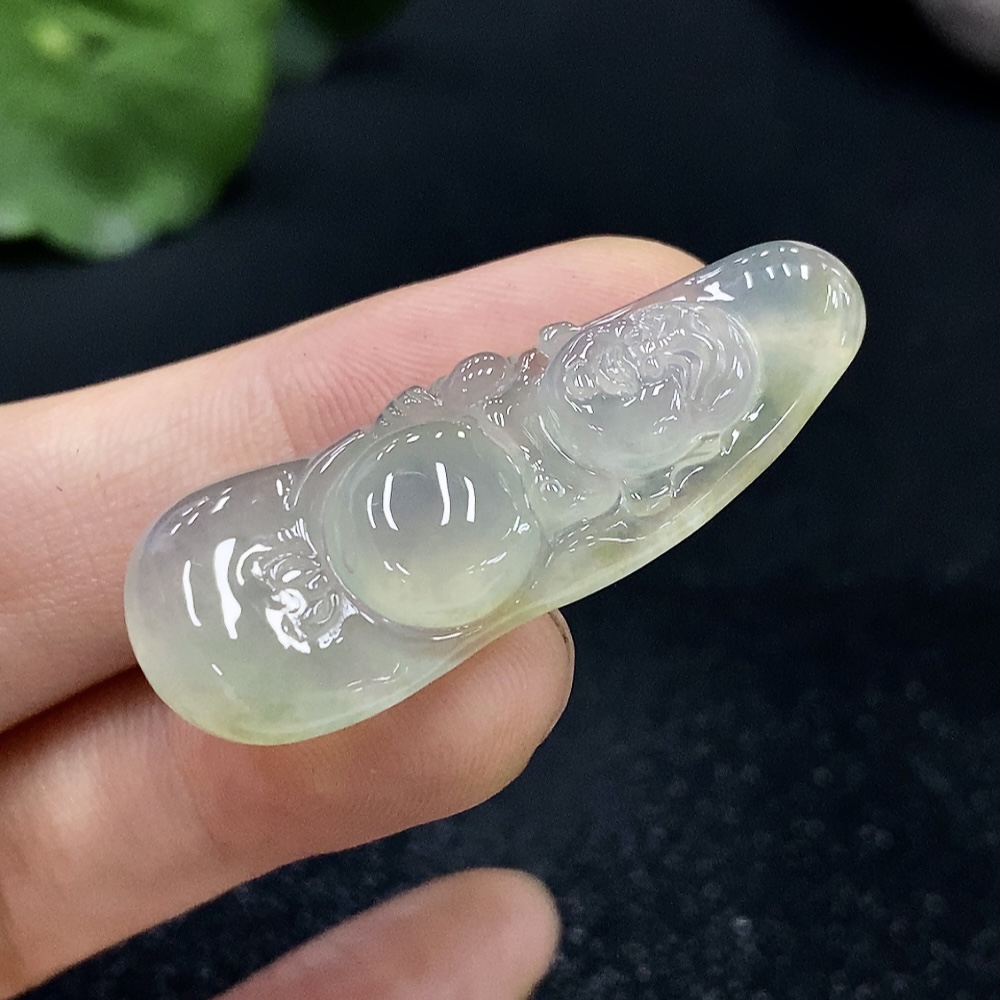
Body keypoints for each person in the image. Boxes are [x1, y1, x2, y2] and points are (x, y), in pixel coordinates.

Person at [0, 236, 697, 998]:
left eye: (663, 387)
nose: (630, 372)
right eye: (640, 363)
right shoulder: (485, 432)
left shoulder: (582, 497)